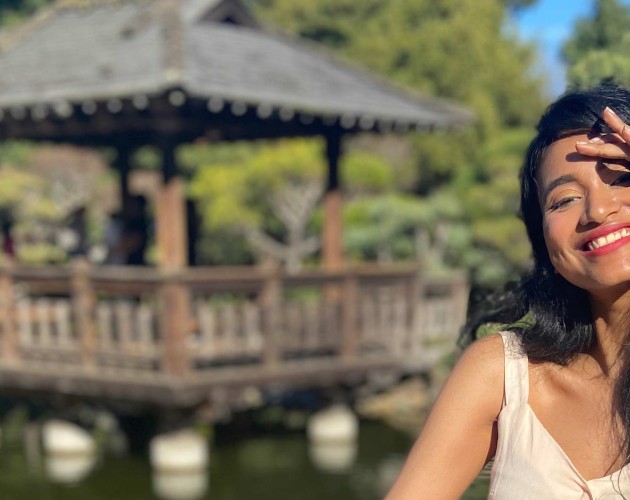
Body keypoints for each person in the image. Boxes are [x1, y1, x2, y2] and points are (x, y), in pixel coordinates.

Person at [386, 84, 630, 498]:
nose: (597, 211)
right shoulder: (502, 374)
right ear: (543, 239)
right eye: (564, 199)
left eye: (623, 177)